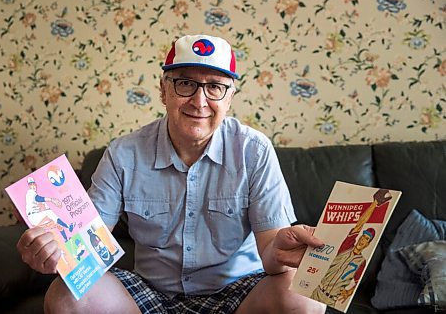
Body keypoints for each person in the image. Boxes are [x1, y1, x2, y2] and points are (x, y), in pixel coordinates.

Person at [17, 34, 326, 314]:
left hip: (237, 294)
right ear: (164, 90)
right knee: (65, 296)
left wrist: (281, 249)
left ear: (229, 98)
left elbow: (270, 254)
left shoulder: (254, 151)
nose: (199, 101)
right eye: (185, 83)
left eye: (215, 87)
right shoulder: (124, 154)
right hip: (149, 294)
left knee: (303, 296)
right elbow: (84, 245)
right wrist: (55, 253)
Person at [311, 189, 392, 306]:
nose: (362, 240)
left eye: (366, 240)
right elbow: (360, 224)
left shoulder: (361, 262)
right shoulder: (346, 247)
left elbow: (357, 283)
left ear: (368, 244)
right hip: (317, 292)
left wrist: (349, 292)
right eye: (362, 237)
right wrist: (374, 204)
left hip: (331, 301)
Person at [25, 177, 75, 242]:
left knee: (58, 223)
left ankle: (66, 239)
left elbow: (44, 206)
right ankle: (68, 227)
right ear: (29, 186)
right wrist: (51, 200)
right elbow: (38, 198)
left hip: (39, 217)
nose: (33, 185)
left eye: (33, 184)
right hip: (33, 217)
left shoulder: (37, 198)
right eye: (31, 184)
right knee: (49, 213)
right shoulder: (30, 193)